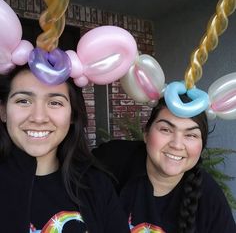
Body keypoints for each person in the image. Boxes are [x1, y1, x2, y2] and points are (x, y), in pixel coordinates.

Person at [0, 65, 130, 233]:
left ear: (72, 115)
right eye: (23, 101)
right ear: (3, 111)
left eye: (55, 102)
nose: (39, 118)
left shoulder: (96, 185)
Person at [92, 95, 236, 233]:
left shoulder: (209, 197)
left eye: (191, 135)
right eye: (166, 130)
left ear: (202, 146)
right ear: (146, 134)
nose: (177, 145)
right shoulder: (111, 161)